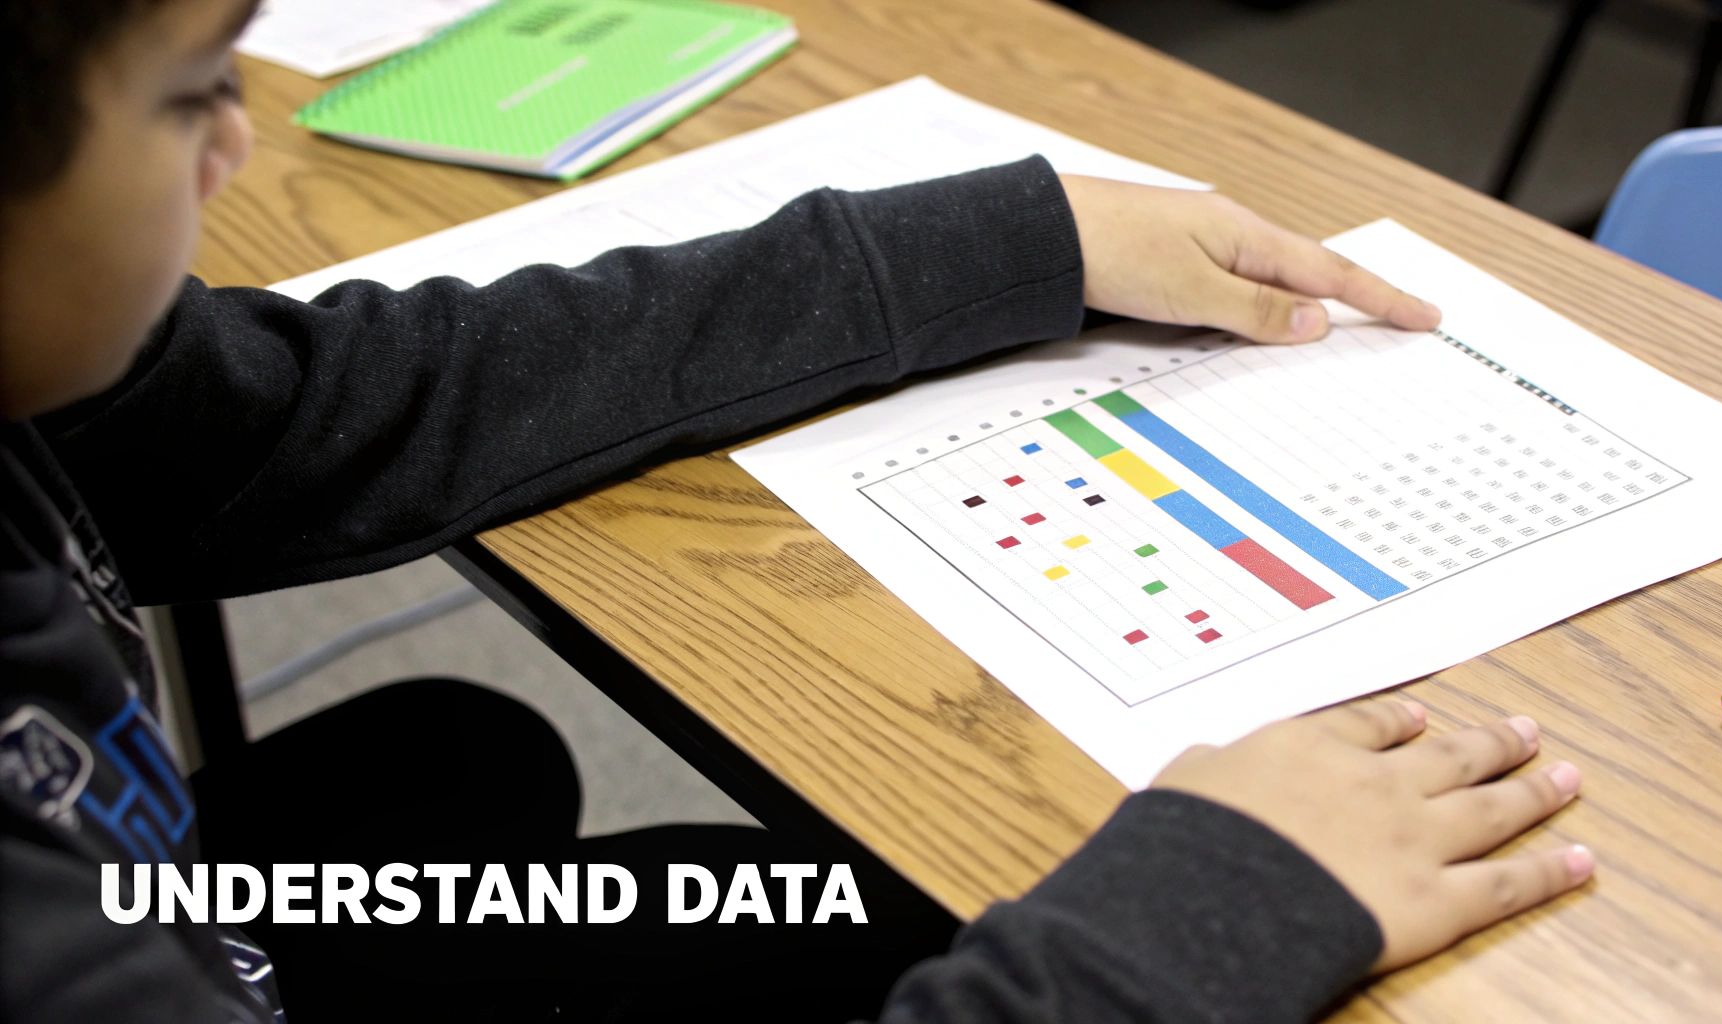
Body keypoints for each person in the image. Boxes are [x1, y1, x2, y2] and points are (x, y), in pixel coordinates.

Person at [0, 0, 1595, 1020]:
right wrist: (1212, 911)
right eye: (191, 90)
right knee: (869, 931)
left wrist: (1007, 243)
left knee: (482, 759)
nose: (237, 140)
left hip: (193, 903)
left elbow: (322, 409)